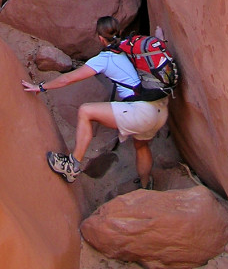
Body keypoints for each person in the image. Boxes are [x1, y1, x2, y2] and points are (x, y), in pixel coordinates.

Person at [21, 15, 169, 187]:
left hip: (141, 113)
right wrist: (161, 38)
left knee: (86, 111)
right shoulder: (131, 46)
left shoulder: (104, 59)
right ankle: (146, 185)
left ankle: (72, 166)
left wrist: (41, 87)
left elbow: (67, 80)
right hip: (159, 109)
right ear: (119, 32)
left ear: (100, 38)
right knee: (141, 146)